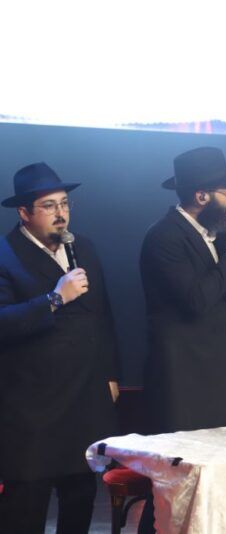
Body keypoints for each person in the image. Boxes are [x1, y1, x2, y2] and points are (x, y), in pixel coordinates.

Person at [0, 163, 119, 533]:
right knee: (25, 508)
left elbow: (103, 316)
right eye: (49, 206)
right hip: (33, 407)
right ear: (24, 212)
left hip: (83, 400)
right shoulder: (6, 254)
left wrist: (111, 374)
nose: (61, 213)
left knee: (79, 499)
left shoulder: (83, 247)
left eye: (64, 203)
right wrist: (54, 298)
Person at [140, 147, 226, 432]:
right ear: (201, 196)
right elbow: (196, 300)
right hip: (182, 382)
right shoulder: (164, 236)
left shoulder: (211, 235)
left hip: (215, 374)